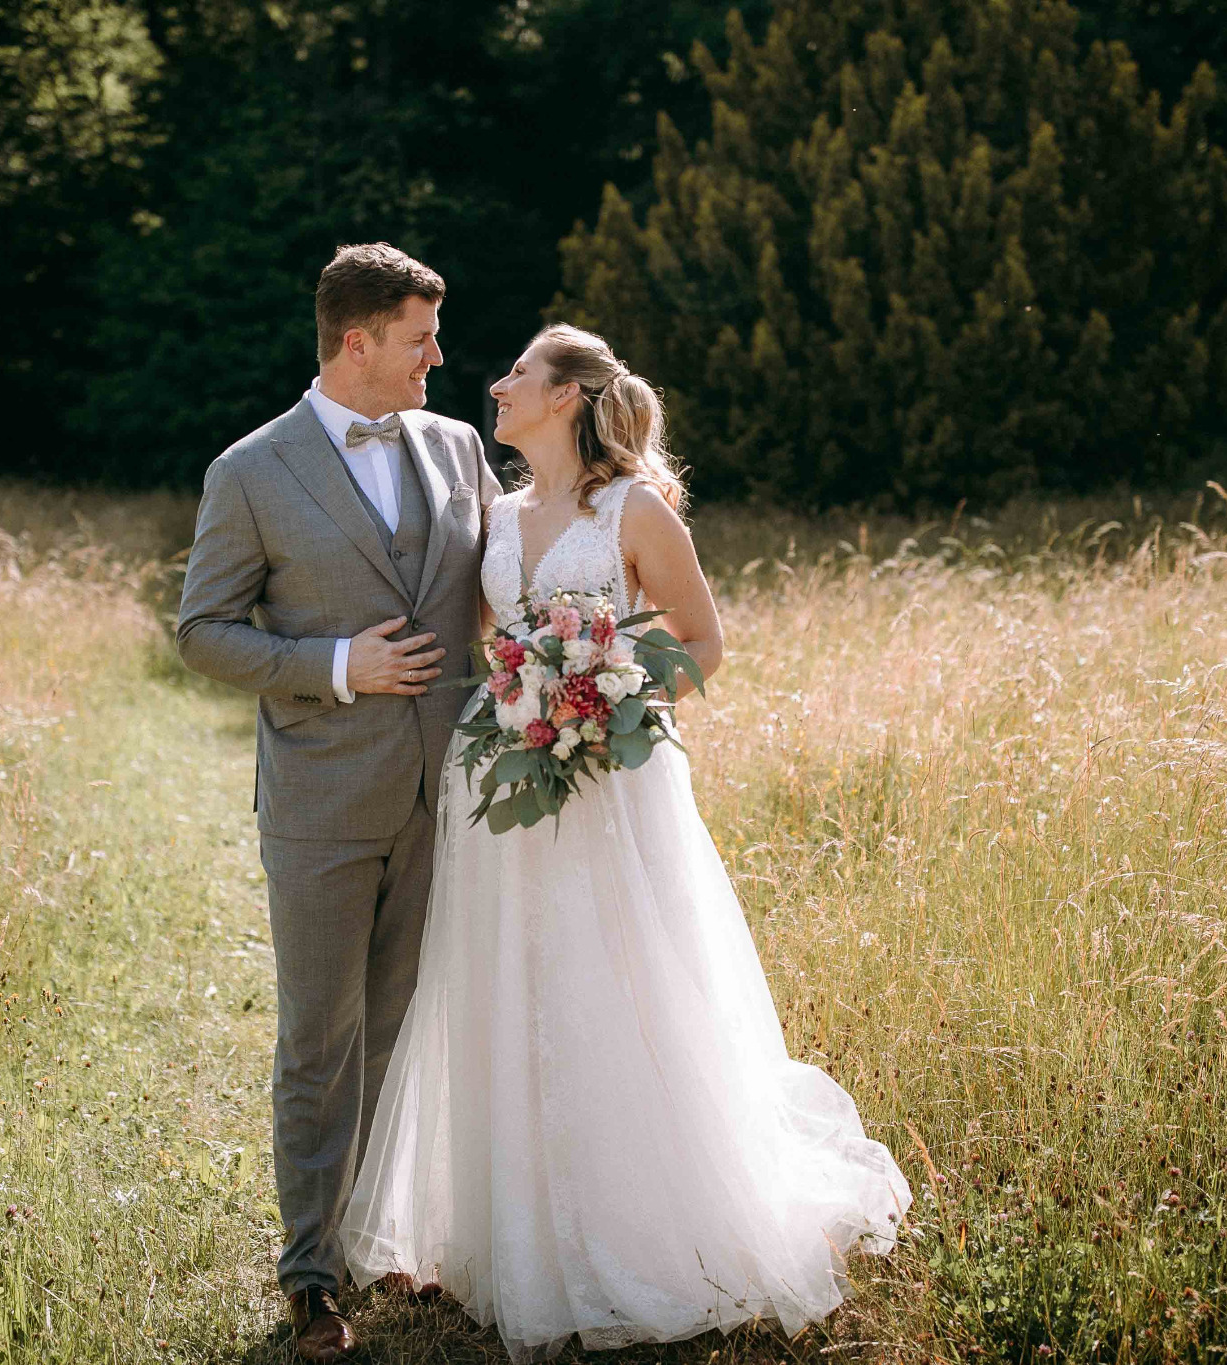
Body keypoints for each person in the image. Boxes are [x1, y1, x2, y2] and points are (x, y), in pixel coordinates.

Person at [338, 323, 913, 1361]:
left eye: (517, 372)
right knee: (508, 984)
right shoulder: (495, 517)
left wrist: (608, 708)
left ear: (563, 397)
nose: (497, 385)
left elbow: (700, 641)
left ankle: (649, 1219)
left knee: (624, 980)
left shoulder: (633, 510)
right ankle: (511, 1226)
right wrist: (522, 702)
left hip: (614, 783)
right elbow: (486, 646)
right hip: (504, 781)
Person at [175, 243, 500, 1362]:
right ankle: (312, 1276)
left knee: (406, 1026)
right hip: (318, 797)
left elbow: (505, 588)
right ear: (355, 342)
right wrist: (332, 664)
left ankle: (383, 1230)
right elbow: (202, 632)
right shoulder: (250, 472)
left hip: (444, 791)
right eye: (420, 338)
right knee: (322, 1039)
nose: (438, 359)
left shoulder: (458, 448)